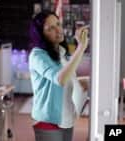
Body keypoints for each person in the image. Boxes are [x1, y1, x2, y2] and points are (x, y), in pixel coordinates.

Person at [28, 11, 89, 141]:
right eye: (51, 28)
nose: (58, 30)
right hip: (48, 120)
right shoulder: (38, 55)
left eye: (58, 24)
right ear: (41, 34)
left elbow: (68, 78)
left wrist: (86, 81)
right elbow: (60, 79)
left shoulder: (61, 52)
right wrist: (81, 48)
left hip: (67, 118)